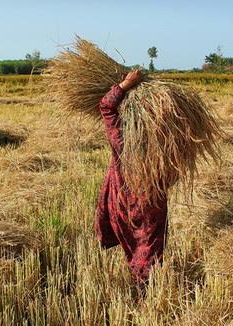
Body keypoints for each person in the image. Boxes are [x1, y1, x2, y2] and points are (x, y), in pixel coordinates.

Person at [95, 69, 169, 287]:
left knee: (132, 240)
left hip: (122, 201)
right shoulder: (163, 140)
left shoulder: (121, 136)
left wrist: (125, 85)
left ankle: (141, 278)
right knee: (150, 246)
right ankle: (146, 283)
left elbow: (106, 106)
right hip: (150, 203)